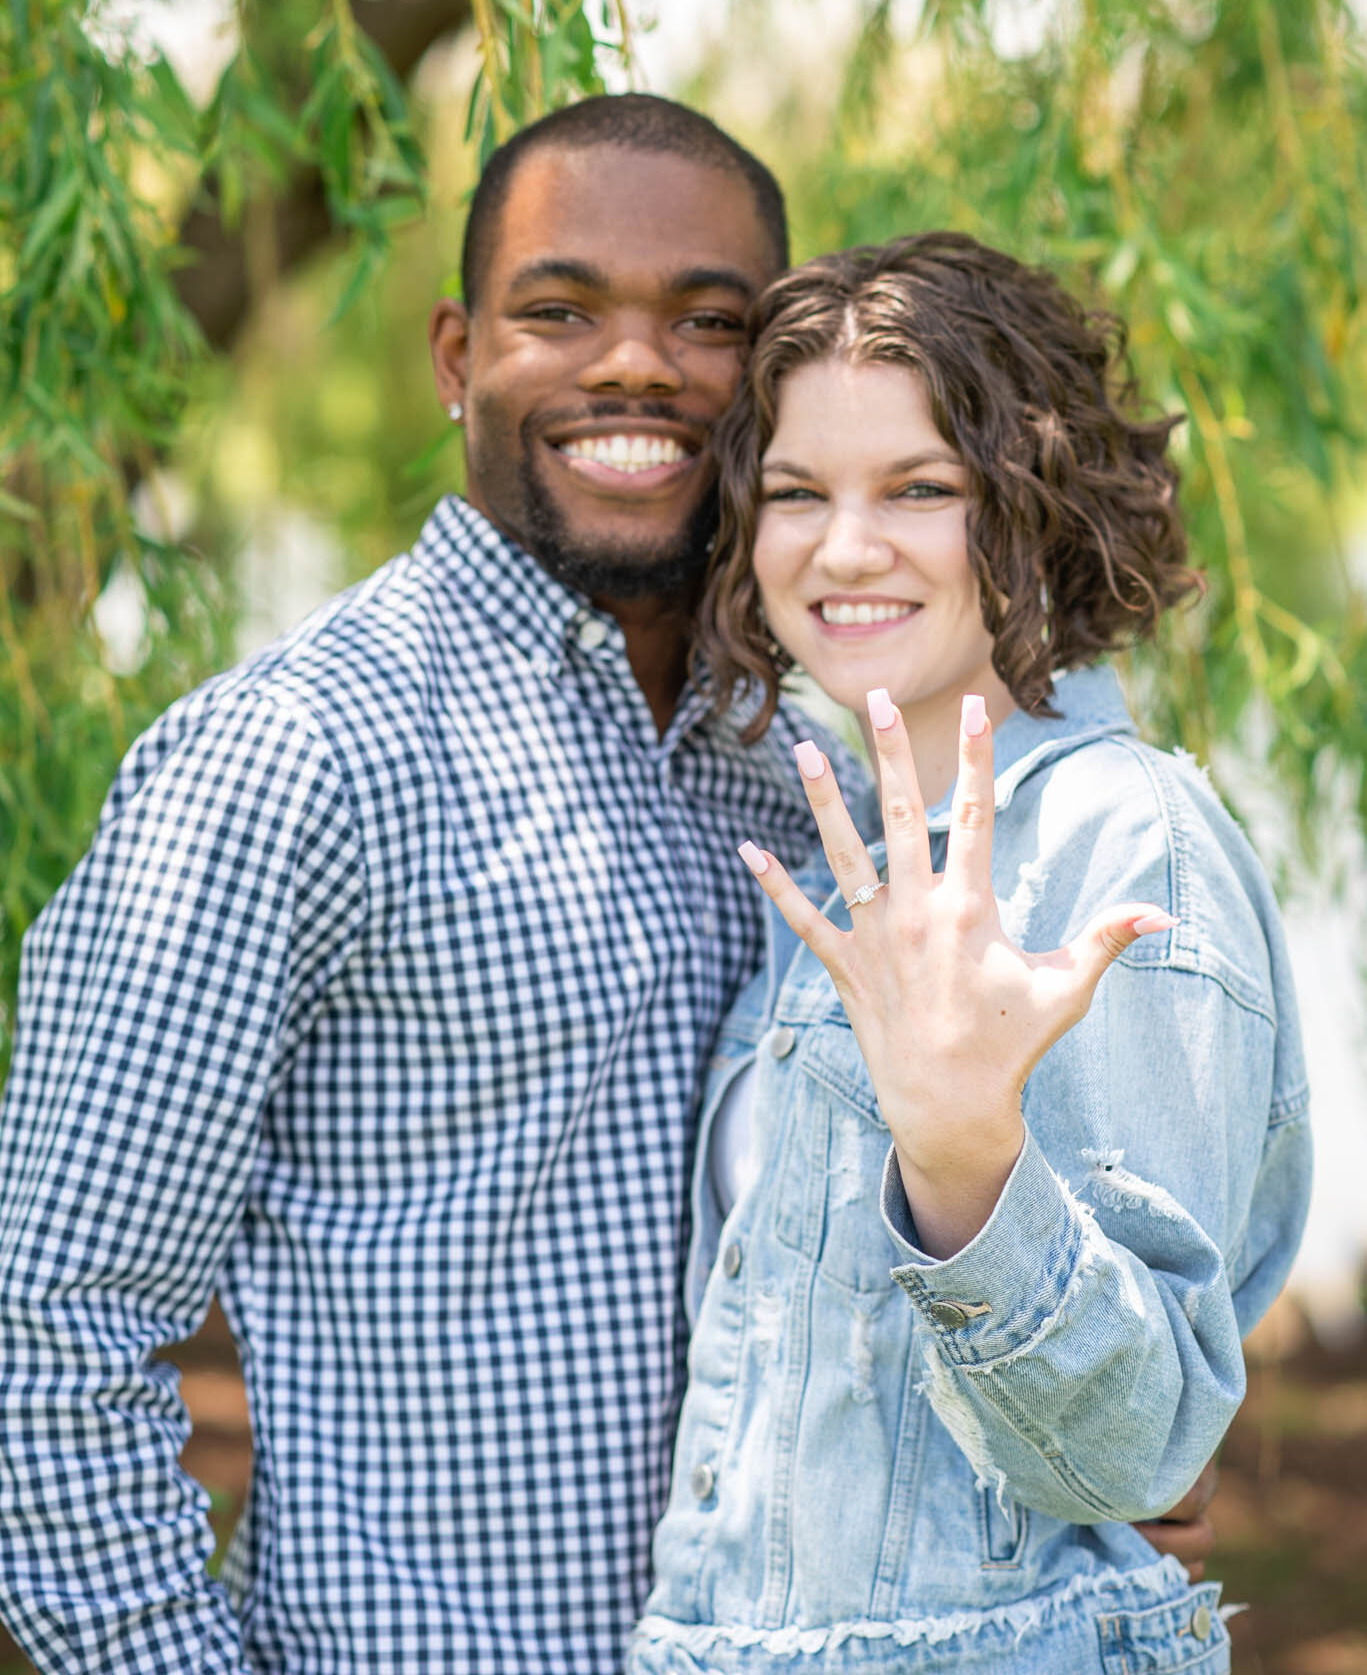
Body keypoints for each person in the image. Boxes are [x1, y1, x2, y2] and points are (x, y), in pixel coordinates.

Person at [0, 100, 1212, 1675]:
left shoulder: (802, 782)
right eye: (558, 311)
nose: (635, 367)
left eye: (708, 322)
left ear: (768, 389)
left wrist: (1106, 1479)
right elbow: (47, 1333)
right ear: (455, 356)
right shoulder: (291, 759)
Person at [631, 234, 1311, 1675]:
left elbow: (1140, 1445)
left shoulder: (1127, 843)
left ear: (1034, 509)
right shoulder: (842, 860)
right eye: (798, 493)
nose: (845, 545)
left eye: (921, 490)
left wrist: (962, 1163)